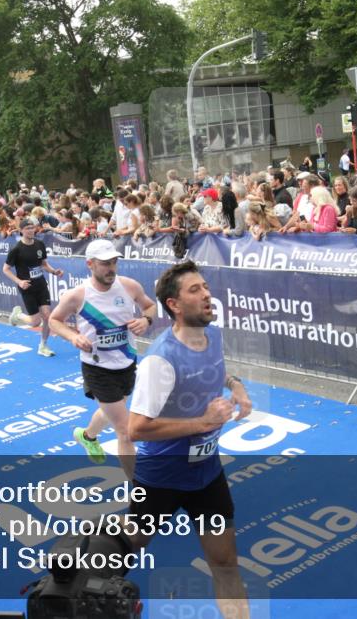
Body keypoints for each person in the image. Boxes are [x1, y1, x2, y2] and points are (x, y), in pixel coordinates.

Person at [127, 261, 251, 619]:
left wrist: (236, 385)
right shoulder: (160, 360)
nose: (207, 294)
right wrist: (202, 422)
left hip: (206, 474)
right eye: (194, 290)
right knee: (124, 551)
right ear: (174, 305)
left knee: (226, 562)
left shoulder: (213, 335)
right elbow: (137, 428)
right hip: (161, 476)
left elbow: (217, 369)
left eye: (206, 286)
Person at [48, 240, 157, 480]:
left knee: (111, 411)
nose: (112, 268)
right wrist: (73, 336)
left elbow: (150, 307)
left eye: (114, 262)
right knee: (125, 431)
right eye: (105, 263)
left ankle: (87, 436)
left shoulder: (129, 286)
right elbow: (54, 320)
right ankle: (139, 491)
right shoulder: (77, 295)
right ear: (90, 264)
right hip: (97, 368)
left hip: (127, 362)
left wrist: (146, 320)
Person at [5, 217, 65, 357]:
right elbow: (6, 269)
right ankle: (17, 315)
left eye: (32, 228)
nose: (31, 230)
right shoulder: (16, 249)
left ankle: (43, 346)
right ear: (21, 231)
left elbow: (43, 264)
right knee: (34, 322)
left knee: (47, 317)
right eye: (27, 228)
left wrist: (54, 271)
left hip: (41, 285)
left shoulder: (39, 244)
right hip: (27, 288)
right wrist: (19, 281)